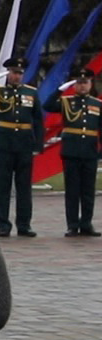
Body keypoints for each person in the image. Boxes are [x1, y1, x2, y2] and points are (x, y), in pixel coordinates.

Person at [0, 56, 43, 239]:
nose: (16, 76)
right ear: (8, 73)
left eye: (19, 73)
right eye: (13, 72)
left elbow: (38, 120)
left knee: (24, 187)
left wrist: (38, 144)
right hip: (4, 144)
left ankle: (24, 225)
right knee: (2, 187)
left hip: (24, 144)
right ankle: (3, 225)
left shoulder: (31, 93)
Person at [45, 68, 102, 238]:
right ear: (74, 85)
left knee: (88, 190)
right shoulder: (66, 102)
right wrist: (60, 89)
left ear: (91, 84)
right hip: (71, 151)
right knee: (72, 190)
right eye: (79, 83)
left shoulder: (98, 104)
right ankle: (72, 225)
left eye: (85, 83)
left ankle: (86, 224)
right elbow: (47, 105)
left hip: (90, 151)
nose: (82, 86)